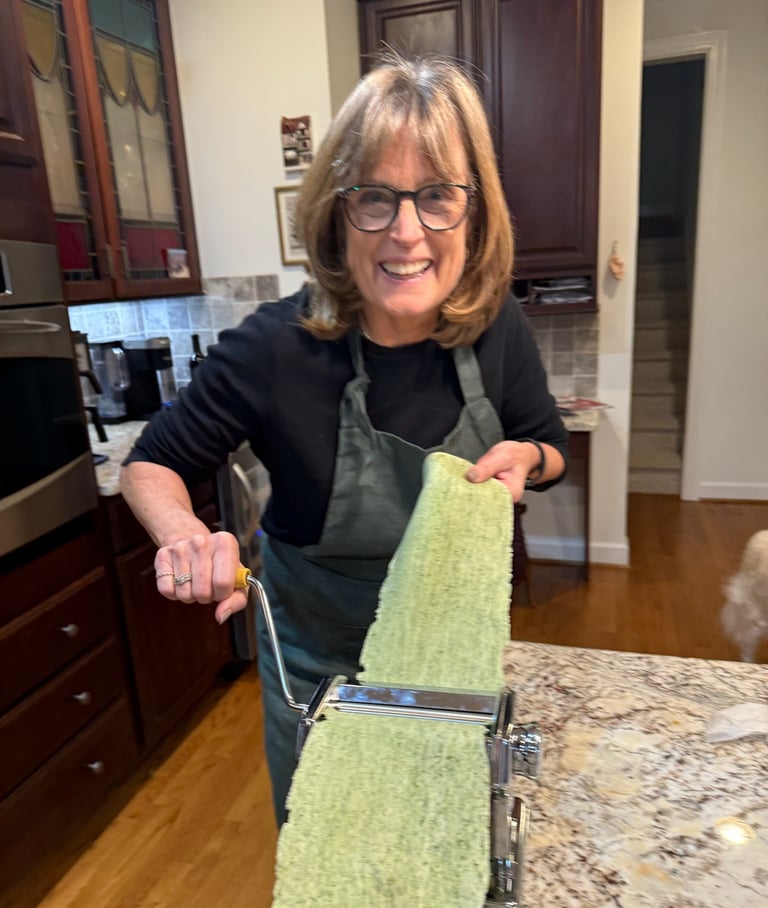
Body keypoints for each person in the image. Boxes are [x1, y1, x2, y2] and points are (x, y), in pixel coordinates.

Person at [120, 53, 568, 826]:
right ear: (336, 211)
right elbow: (151, 463)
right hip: (318, 683)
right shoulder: (273, 350)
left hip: (452, 673)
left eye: (436, 197)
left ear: (474, 212)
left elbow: (549, 446)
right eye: (374, 199)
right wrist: (186, 534)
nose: (406, 232)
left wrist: (530, 459)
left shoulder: (498, 331)